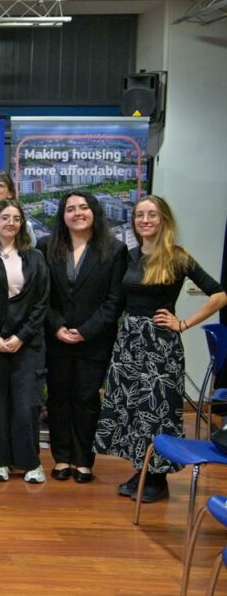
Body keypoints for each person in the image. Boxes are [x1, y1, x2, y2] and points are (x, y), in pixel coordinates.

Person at [95, 195, 226, 503]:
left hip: (160, 345)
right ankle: (142, 469)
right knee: (132, 409)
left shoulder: (177, 257)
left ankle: (158, 478)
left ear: (163, 219)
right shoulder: (129, 256)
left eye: (151, 214)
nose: (145, 220)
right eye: (139, 215)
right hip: (129, 342)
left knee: (157, 410)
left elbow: (219, 295)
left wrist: (184, 323)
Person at [40, 191, 127, 484]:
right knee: (58, 398)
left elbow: (115, 300)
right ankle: (62, 457)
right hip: (56, 338)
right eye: (70, 209)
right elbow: (41, 295)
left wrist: (86, 331)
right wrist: (57, 326)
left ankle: (83, 460)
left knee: (87, 399)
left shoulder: (114, 250)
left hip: (94, 340)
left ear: (94, 212)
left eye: (83, 207)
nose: (77, 213)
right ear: (62, 215)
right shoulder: (46, 246)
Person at [0, 199, 50, 484]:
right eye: (5, 218)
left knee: (26, 403)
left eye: (16, 218)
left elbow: (42, 302)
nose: (11, 223)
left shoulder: (35, 257)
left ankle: (30, 463)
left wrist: (21, 336)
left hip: (27, 343)